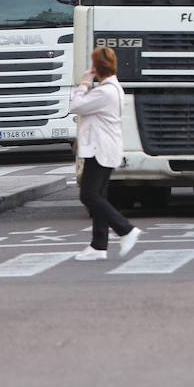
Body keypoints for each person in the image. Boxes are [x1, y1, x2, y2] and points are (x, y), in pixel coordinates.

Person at [71, 47, 141, 260]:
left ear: (97, 68)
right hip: (104, 148)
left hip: (99, 149)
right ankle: (98, 245)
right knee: (99, 195)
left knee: (89, 195)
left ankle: (125, 229)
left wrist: (83, 83)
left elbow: (75, 105)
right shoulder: (113, 88)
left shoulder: (104, 92)